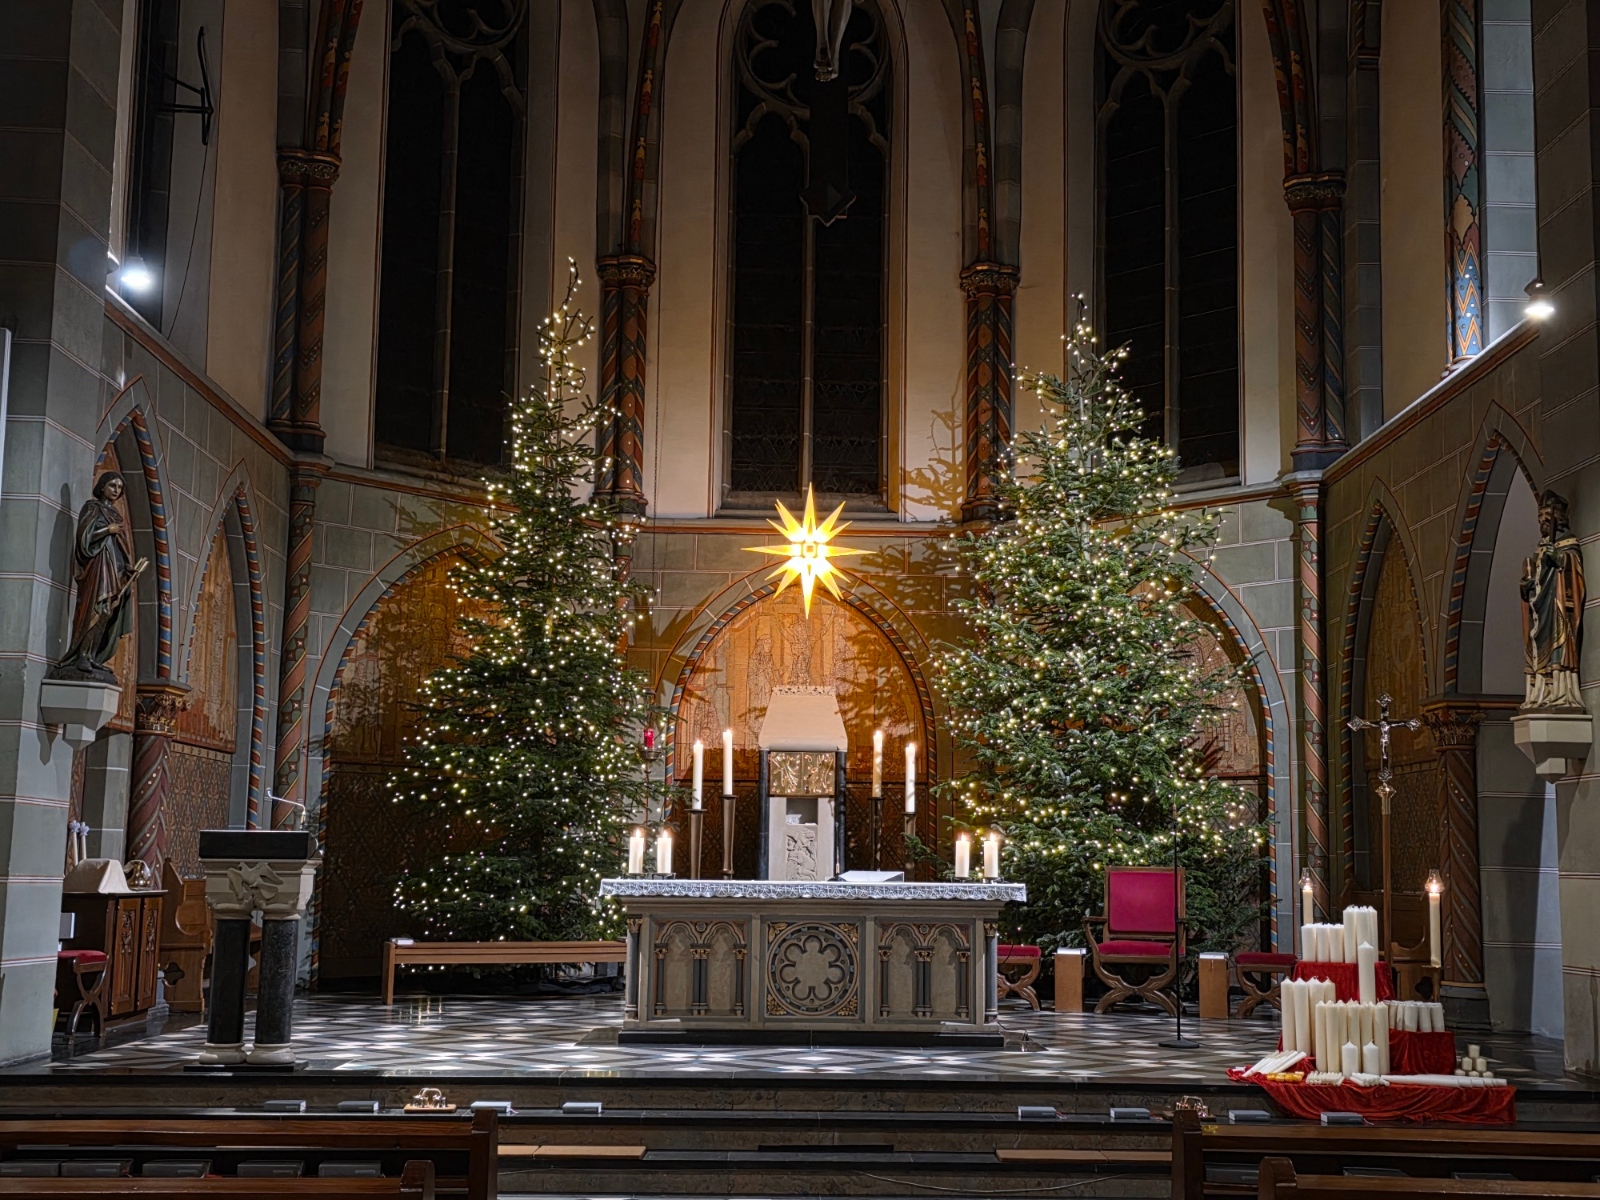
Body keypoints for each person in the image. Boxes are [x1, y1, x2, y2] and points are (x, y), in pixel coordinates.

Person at [54, 472, 146, 681]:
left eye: (120, 487)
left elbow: (118, 548)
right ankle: (81, 656)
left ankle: (92, 655)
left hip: (113, 569)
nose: (116, 490)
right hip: (97, 568)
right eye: (112, 485)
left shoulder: (115, 514)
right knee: (97, 609)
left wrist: (127, 569)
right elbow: (84, 539)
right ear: (102, 486)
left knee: (107, 612)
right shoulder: (92, 508)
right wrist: (107, 530)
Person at [1520, 490, 1586, 709]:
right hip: (1540, 611)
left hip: (1557, 607)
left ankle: (1560, 693)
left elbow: (1573, 573)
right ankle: (1540, 694)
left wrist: (1558, 558)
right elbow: (1535, 579)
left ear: (1559, 518)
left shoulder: (1568, 544)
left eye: (1548, 518)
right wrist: (1527, 586)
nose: (1544, 523)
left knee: (1560, 648)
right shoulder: (1539, 548)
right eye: (1541, 520)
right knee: (1538, 648)